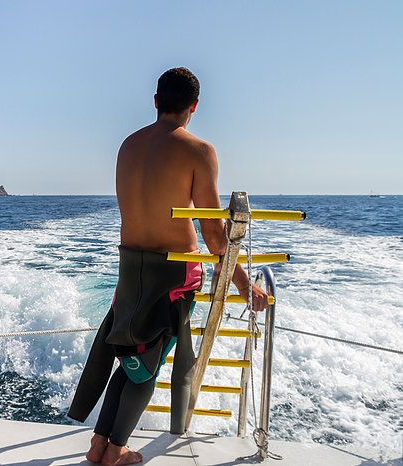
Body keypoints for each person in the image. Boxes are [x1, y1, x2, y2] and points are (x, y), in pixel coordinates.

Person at [67, 67, 269, 466]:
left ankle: (99, 444)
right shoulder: (198, 151)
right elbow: (213, 233)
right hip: (172, 274)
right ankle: (116, 450)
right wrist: (245, 285)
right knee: (147, 364)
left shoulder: (128, 145)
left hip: (129, 269)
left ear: (156, 101)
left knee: (130, 354)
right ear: (193, 106)